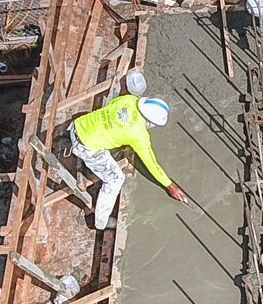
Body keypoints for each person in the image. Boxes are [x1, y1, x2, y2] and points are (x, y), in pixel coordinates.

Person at [69, 93, 189, 230]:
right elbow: (151, 163)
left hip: (80, 124)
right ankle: (100, 223)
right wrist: (170, 186)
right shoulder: (138, 135)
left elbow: (111, 105)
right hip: (84, 146)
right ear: (150, 121)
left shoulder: (129, 100)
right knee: (115, 180)